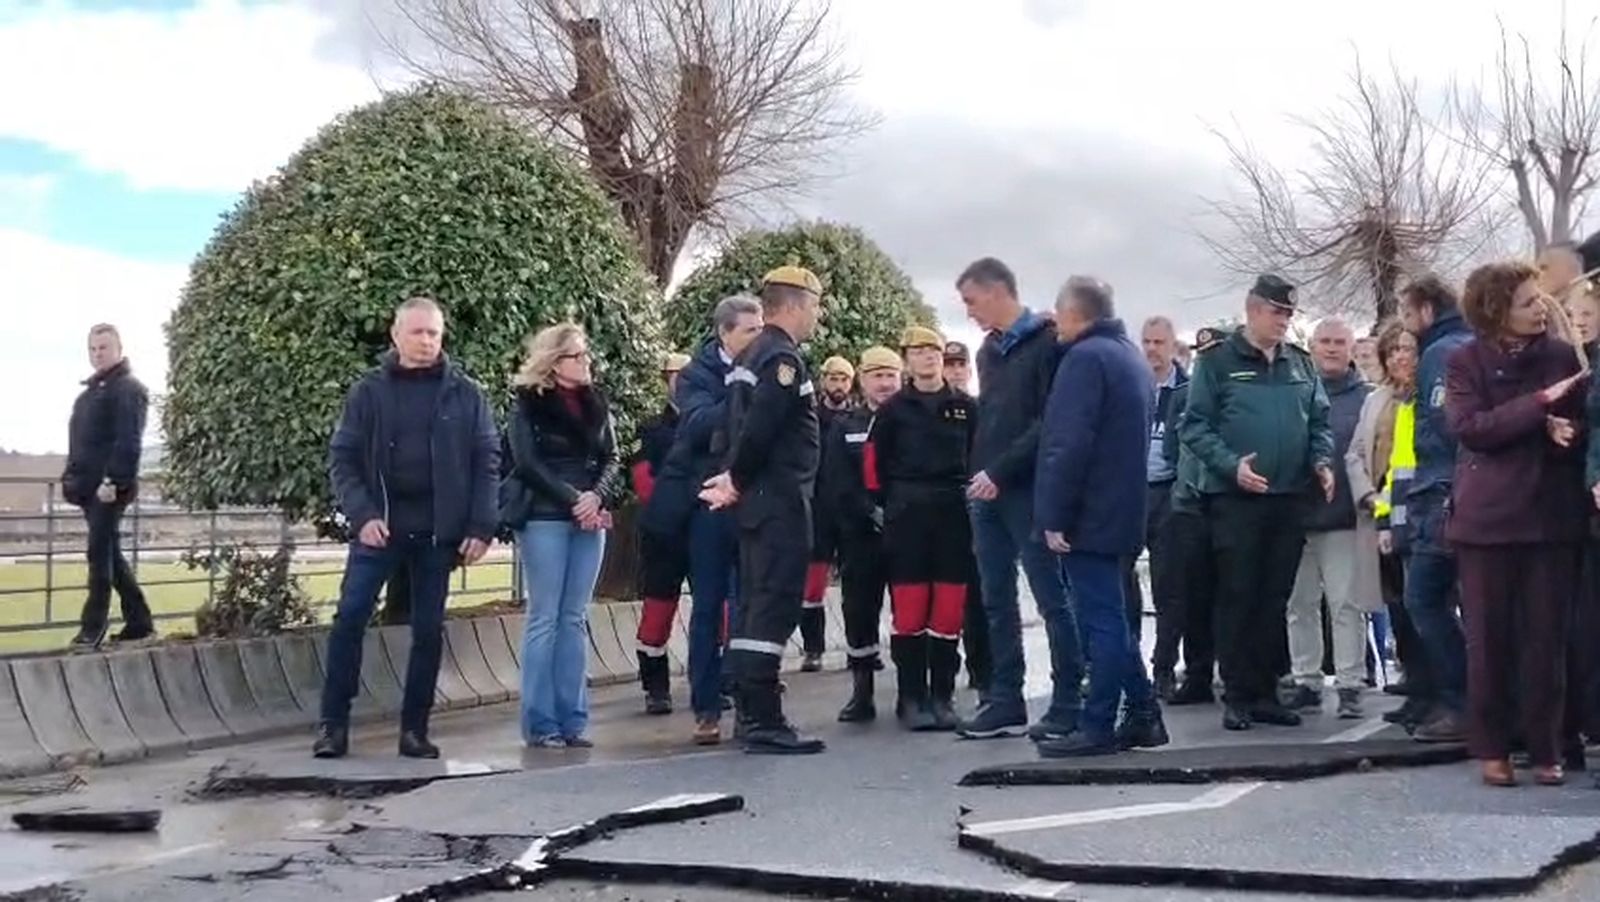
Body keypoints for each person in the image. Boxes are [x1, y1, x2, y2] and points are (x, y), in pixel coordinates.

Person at [316, 297, 497, 760]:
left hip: (437, 533)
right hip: (380, 530)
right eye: (417, 332)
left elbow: (486, 461)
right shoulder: (368, 393)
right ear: (396, 335)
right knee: (350, 617)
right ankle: (333, 726)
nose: (426, 341)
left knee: (429, 630)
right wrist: (363, 515)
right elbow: (343, 459)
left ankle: (415, 730)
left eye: (433, 333)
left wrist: (481, 525)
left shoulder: (465, 395)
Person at [1449, 261, 1587, 786]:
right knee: (1489, 642)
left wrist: (1565, 427)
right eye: (1527, 302)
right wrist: (1539, 408)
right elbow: (1472, 429)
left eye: (1539, 299)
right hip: (1487, 521)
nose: (1540, 309)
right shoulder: (1465, 361)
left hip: (1550, 517)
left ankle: (1547, 747)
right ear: (1496, 309)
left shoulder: (1560, 355)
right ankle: (1493, 748)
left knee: (1546, 641)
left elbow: (1582, 419)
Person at [1180, 274, 1335, 732]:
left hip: (1288, 496)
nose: (1283, 321)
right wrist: (1231, 466)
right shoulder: (1218, 361)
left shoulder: (1299, 363)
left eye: (1288, 314)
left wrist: (1322, 461)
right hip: (1237, 498)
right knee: (1238, 594)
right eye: (1276, 312)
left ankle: (1267, 692)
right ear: (1252, 310)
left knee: (1274, 597)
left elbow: (1319, 421)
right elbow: (1194, 426)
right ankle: (1238, 695)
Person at [1034, 277, 1169, 757]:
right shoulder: (1130, 357)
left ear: (1074, 313)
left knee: (1101, 623)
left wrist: (1054, 514)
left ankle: (1098, 724)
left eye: (1059, 313)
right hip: (1123, 508)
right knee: (1112, 616)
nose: (1055, 322)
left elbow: (1068, 442)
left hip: (1088, 514)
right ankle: (1143, 712)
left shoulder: (1086, 359)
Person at [953, 257, 1081, 741]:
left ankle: (1068, 701)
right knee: (996, 600)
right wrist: (979, 474)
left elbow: (1049, 422)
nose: (969, 312)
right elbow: (992, 418)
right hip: (985, 491)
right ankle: (1005, 699)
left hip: (1028, 491)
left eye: (971, 301)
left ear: (996, 291)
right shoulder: (988, 351)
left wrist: (1000, 471)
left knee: (1052, 599)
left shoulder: (1049, 343)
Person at [700, 266, 826, 754]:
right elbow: (762, 426)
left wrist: (733, 478)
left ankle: (751, 712)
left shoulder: (750, 355)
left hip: (758, 502)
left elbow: (733, 428)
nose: (817, 315)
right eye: (814, 305)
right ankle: (764, 719)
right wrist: (736, 477)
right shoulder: (781, 358)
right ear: (794, 305)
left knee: (755, 606)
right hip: (778, 501)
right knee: (774, 605)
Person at [641, 295, 765, 745]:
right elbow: (697, 425)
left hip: (754, 502)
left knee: (751, 607)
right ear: (725, 333)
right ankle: (706, 708)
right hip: (707, 506)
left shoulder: (771, 365)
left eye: (762, 328)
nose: (759, 337)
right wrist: (745, 396)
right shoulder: (697, 374)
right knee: (710, 606)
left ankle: (752, 703)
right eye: (750, 330)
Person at [505, 323, 626, 749]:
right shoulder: (528, 405)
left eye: (586, 353)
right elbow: (527, 464)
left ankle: (573, 720)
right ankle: (541, 723)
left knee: (575, 618)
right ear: (555, 363)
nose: (586, 361)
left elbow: (613, 457)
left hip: (588, 520)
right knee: (545, 617)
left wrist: (596, 497)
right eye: (578, 355)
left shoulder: (597, 404)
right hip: (545, 517)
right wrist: (573, 499)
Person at [868, 326, 977, 730]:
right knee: (910, 611)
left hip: (954, 514)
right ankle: (910, 697)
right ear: (906, 359)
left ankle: (943, 696)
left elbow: (977, 456)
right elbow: (873, 468)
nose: (928, 357)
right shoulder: (892, 410)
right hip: (908, 514)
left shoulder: (965, 407)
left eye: (934, 350)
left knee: (948, 611)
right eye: (919, 351)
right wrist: (891, 506)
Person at [1396, 274, 1474, 743]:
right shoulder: (1464, 343)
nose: (1406, 327)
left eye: (1408, 314)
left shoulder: (1441, 353)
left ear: (1426, 309)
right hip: (1454, 491)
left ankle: (1461, 703)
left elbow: (1447, 428)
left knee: (1424, 598)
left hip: (1442, 494)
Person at [1284, 318, 1373, 719]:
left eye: (1339, 342)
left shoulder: (1366, 399)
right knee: (1299, 605)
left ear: (1351, 348)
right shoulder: (1294, 393)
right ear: (1312, 347)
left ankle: (1351, 683)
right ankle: (1306, 679)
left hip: (1344, 518)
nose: (1332, 348)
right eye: (1325, 341)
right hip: (1296, 517)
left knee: (1346, 605)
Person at [1348, 325, 1425, 718]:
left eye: (1406, 349)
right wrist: (1367, 494)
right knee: (1395, 598)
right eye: (1392, 350)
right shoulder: (1375, 399)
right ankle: (1413, 676)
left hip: (1416, 508)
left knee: (1420, 600)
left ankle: (1429, 685)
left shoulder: (1425, 397)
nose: (1399, 357)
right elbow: (1356, 452)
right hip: (1378, 509)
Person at [64, 324, 153, 651]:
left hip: (108, 488)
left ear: (118, 349)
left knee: (98, 554)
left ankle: (93, 627)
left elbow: (129, 440)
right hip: (89, 488)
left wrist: (114, 481)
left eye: (103, 347)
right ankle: (139, 623)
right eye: (93, 348)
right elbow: (81, 442)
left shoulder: (128, 389)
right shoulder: (89, 394)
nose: (97, 353)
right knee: (110, 554)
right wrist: (73, 479)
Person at [829, 346, 904, 722]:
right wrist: (869, 511)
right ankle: (862, 693)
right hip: (860, 535)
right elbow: (837, 480)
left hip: (908, 530)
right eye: (877, 376)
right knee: (859, 611)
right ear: (862, 380)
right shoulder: (846, 425)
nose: (885, 383)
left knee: (909, 614)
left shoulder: (914, 420)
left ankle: (912, 691)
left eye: (891, 375)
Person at [1163, 326, 1227, 705]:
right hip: (1188, 505)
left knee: (1231, 596)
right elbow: (1172, 450)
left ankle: (1235, 676)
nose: (1208, 360)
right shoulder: (1182, 396)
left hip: (1226, 504)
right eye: (1203, 354)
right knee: (1193, 597)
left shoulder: (1234, 394)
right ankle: (1198, 674)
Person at [632, 352, 692, 715]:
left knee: (716, 612)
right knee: (657, 611)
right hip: (664, 533)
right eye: (675, 375)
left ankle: (714, 681)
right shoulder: (651, 430)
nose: (682, 382)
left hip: (703, 530)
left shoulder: (713, 423)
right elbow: (643, 483)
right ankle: (655, 688)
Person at [1137, 315, 1189, 698]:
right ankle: (1125, 664)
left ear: (1172, 346)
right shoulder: (1128, 386)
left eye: (1159, 342)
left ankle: (1164, 668)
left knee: (1169, 586)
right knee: (1120, 581)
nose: (1152, 349)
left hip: (1169, 492)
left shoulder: (1187, 390)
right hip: (1129, 492)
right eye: (1147, 342)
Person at [800, 356, 855, 672]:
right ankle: (813, 650)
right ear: (823, 381)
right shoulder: (809, 417)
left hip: (850, 512)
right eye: (833, 378)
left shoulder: (858, 418)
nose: (838, 385)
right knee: (812, 587)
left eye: (844, 379)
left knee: (856, 586)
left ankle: (857, 648)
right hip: (817, 510)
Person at [944, 339, 991, 695]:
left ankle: (981, 669)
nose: (956, 371)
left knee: (977, 598)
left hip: (972, 507)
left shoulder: (978, 409)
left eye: (961, 365)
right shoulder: (929, 408)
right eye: (950, 364)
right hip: (938, 509)